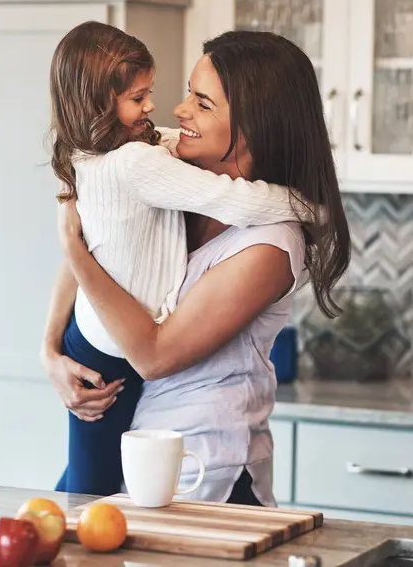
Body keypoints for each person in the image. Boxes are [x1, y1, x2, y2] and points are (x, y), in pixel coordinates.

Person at [46, 29, 351, 505]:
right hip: (139, 451)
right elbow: (103, 258)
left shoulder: (269, 243)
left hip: (204, 471)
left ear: (256, 124)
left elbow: (153, 355)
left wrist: (71, 248)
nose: (178, 109)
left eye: (203, 103)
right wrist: (51, 351)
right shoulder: (178, 179)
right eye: (189, 92)